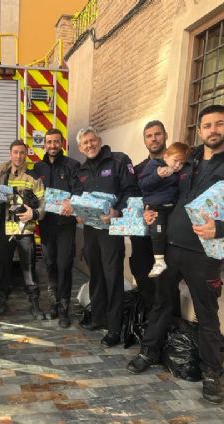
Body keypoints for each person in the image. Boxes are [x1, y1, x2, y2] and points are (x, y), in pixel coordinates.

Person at [127, 105, 224, 405]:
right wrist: (153, 213)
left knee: (207, 314)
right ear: (199, 130)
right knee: (161, 302)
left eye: (219, 124)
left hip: (204, 255)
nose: (213, 130)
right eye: (207, 126)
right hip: (171, 248)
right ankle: (150, 351)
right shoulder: (188, 162)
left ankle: (211, 373)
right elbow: (169, 197)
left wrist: (221, 228)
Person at [75, 127, 138, 347]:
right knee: (97, 275)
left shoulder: (119, 161)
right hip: (91, 230)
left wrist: (117, 211)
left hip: (112, 229)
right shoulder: (81, 170)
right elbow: (78, 198)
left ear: (99, 141)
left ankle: (114, 328)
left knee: (113, 277)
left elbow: (131, 190)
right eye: (85, 143)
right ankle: (97, 317)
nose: (89, 145)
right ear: (80, 148)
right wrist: (78, 214)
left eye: (92, 141)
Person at [32, 128, 83, 328]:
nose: (52, 145)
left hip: (66, 225)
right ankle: (53, 305)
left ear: (61, 144)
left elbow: (78, 190)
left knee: (64, 265)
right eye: (49, 142)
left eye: (56, 142)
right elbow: (31, 192)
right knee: (50, 264)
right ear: (44, 145)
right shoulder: (38, 168)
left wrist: (71, 201)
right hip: (46, 225)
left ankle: (64, 308)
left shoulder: (73, 165)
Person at [0, 140, 46, 320]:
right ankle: (1, 300)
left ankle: (35, 303)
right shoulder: (2, 174)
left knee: (29, 267)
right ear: (10, 154)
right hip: (5, 229)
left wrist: (36, 213)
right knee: (3, 267)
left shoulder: (33, 177)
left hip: (26, 229)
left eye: (22, 153)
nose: (18, 156)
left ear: (26, 154)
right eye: (15, 152)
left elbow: (43, 201)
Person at [129, 121, 168, 312]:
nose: (154, 138)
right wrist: (143, 209)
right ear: (145, 140)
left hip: (169, 233)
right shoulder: (138, 169)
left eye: (157, 134)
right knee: (141, 273)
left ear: (165, 136)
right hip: (143, 235)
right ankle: (150, 319)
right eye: (149, 136)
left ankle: (169, 326)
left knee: (166, 282)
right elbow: (132, 198)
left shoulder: (179, 165)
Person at [139, 142, 189, 277]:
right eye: (175, 160)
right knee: (157, 232)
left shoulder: (180, 172)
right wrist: (158, 175)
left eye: (182, 163)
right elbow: (143, 185)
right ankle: (159, 262)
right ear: (166, 156)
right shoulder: (155, 165)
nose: (178, 165)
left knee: (168, 234)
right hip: (157, 208)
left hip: (173, 209)